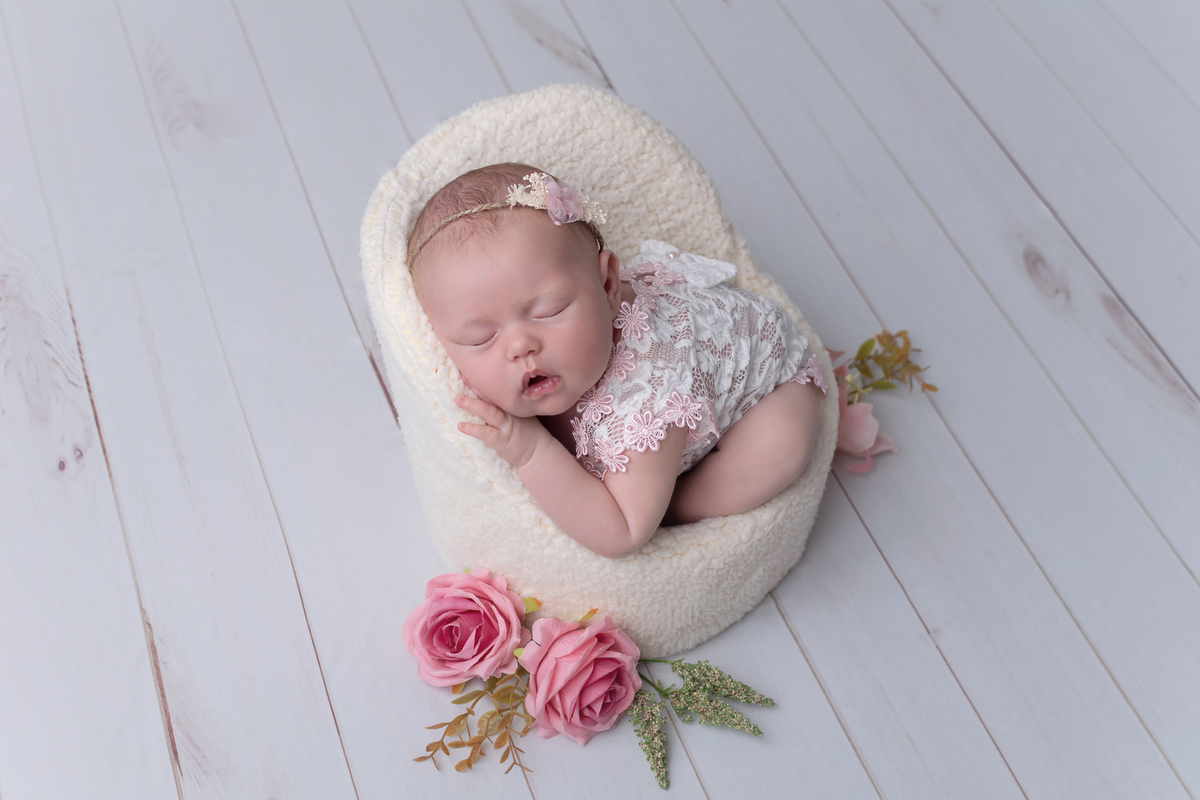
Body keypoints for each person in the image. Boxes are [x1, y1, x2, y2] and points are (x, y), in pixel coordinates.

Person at [409, 163, 825, 558]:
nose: (520, 346)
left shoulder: (646, 399)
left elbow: (623, 531)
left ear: (608, 285)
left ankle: (674, 501)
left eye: (549, 310)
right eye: (480, 338)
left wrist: (531, 450)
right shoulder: (549, 353)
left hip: (771, 384)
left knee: (777, 450)